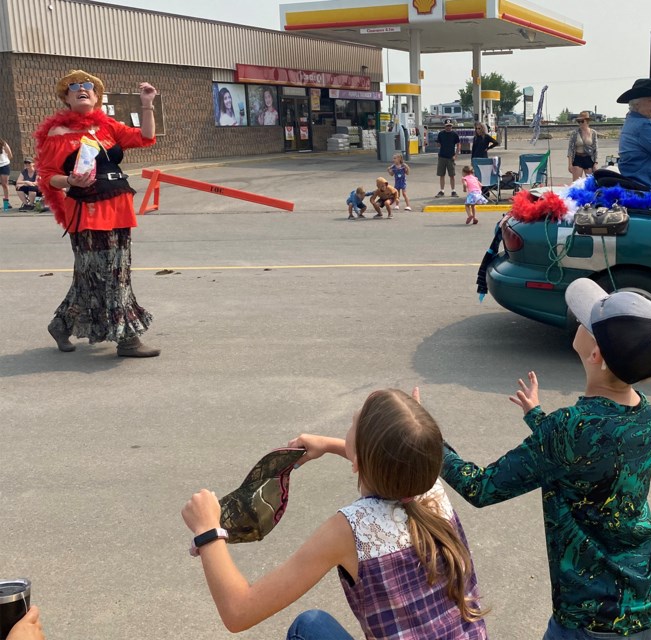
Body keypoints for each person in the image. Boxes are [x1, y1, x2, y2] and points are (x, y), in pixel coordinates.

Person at [441, 277, 651, 639]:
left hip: (594, 621)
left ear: (596, 354)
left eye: (587, 321)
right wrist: (539, 418)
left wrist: (426, 440)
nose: (579, 321)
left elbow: (481, 487)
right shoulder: (642, 413)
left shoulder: (568, 429)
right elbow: (589, 456)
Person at [181, 388, 488, 640]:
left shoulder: (350, 530)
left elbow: (239, 612)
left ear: (359, 461)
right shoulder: (428, 485)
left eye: (354, 422)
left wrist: (208, 531)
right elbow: (395, 462)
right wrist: (329, 445)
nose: (350, 423)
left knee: (309, 626)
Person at [35, 69, 160, 357]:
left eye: (88, 86)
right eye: (74, 86)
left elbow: (145, 136)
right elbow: (47, 175)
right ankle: (128, 339)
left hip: (118, 206)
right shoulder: (58, 134)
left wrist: (146, 104)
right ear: (66, 97)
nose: (82, 89)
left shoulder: (107, 127)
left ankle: (61, 324)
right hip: (87, 211)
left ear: (96, 96)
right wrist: (69, 181)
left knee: (107, 274)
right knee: (105, 276)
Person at [566, 110, 598, 180]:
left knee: (590, 182)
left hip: (589, 158)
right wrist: (570, 164)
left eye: (582, 121)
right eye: (579, 121)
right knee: (576, 183)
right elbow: (570, 149)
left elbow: (595, 149)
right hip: (578, 158)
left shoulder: (593, 133)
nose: (580, 123)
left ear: (587, 121)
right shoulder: (574, 133)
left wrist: (595, 163)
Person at [436, 119, 461, 198]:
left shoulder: (454, 134)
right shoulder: (441, 134)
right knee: (441, 174)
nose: (448, 127)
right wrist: (438, 144)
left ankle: (453, 190)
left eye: (450, 126)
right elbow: (438, 143)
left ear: (452, 126)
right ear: (444, 126)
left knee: (452, 175)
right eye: (447, 126)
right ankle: (442, 190)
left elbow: (458, 144)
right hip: (442, 156)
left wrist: (456, 155)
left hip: (451, 157)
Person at [0, 136, 11, 210]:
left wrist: (6, 161)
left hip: (4, 165)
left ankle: (7, 202)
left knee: (4, 184)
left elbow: (10, 154)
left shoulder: (3, 143)